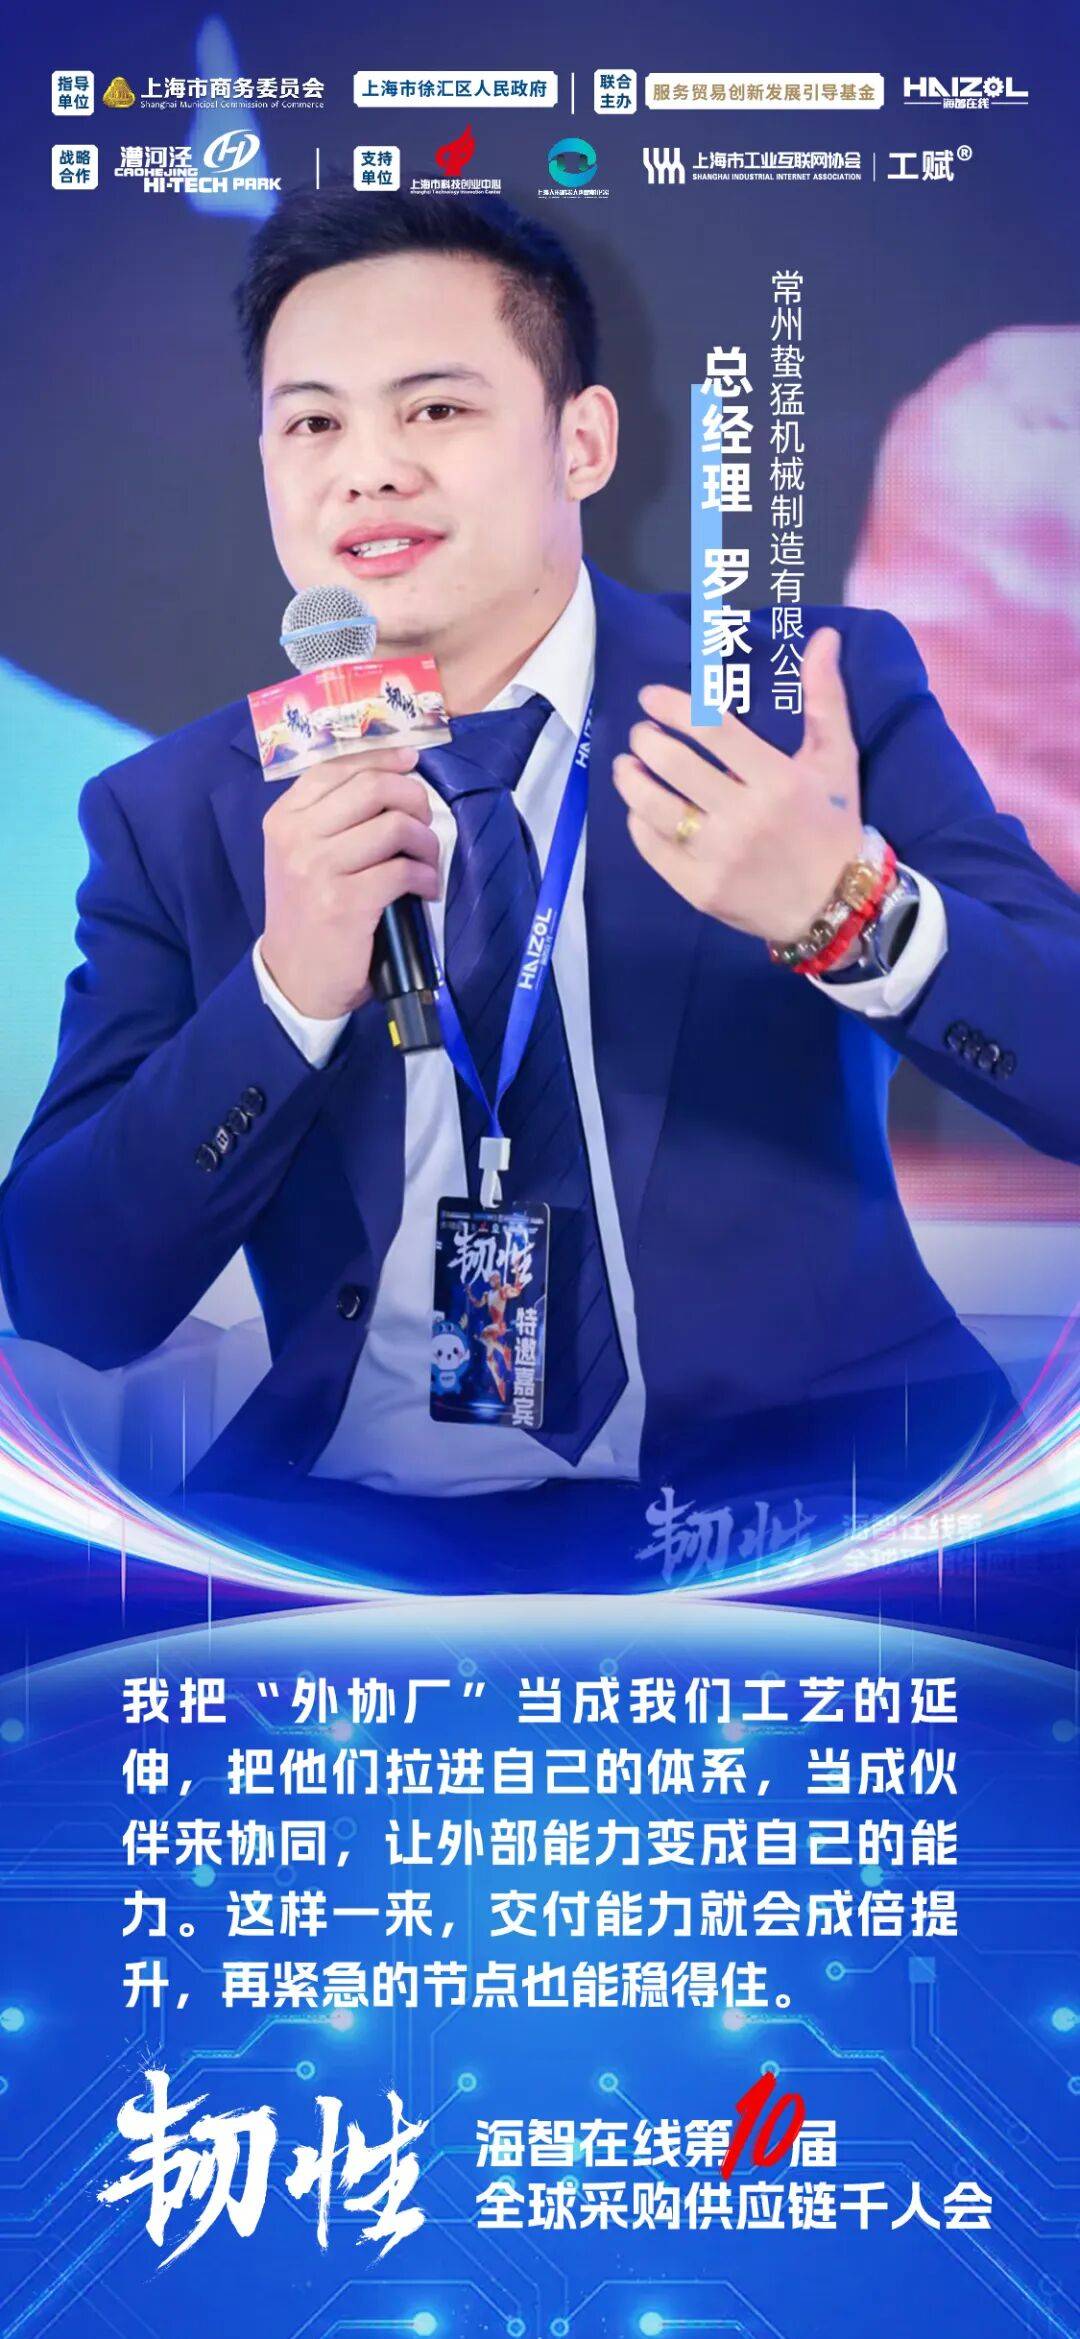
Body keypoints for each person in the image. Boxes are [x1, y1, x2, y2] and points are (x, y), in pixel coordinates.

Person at [1, 187, 1078, 1590]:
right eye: (313, 424)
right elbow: (70, 1294)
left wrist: (849, 908)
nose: (368, 471)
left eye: (436, 409)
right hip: (351, 1545)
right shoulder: (179, 811)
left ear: (583, 442)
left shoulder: (795, 701)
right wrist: (283, 997)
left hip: (808, 1508)